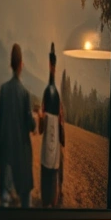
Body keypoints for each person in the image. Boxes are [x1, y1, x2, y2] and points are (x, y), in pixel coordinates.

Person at [0, 44, 36, 208]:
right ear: (21, 65)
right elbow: (31, 125)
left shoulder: (4, 90)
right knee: (25, 201)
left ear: (11, 64)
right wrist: (35, 119)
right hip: (21, 158)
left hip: (6, 157)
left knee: (4, 202)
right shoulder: (25, 93)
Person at [38, 43, 64, 208]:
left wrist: (41, 117)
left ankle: (47, 201)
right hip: (53, 150)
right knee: (52, 173)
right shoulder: (54, 94)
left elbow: (41, 129)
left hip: (49, 146)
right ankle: (50, 202)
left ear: (50, 65)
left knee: (47, 174)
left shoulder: (48, 92)